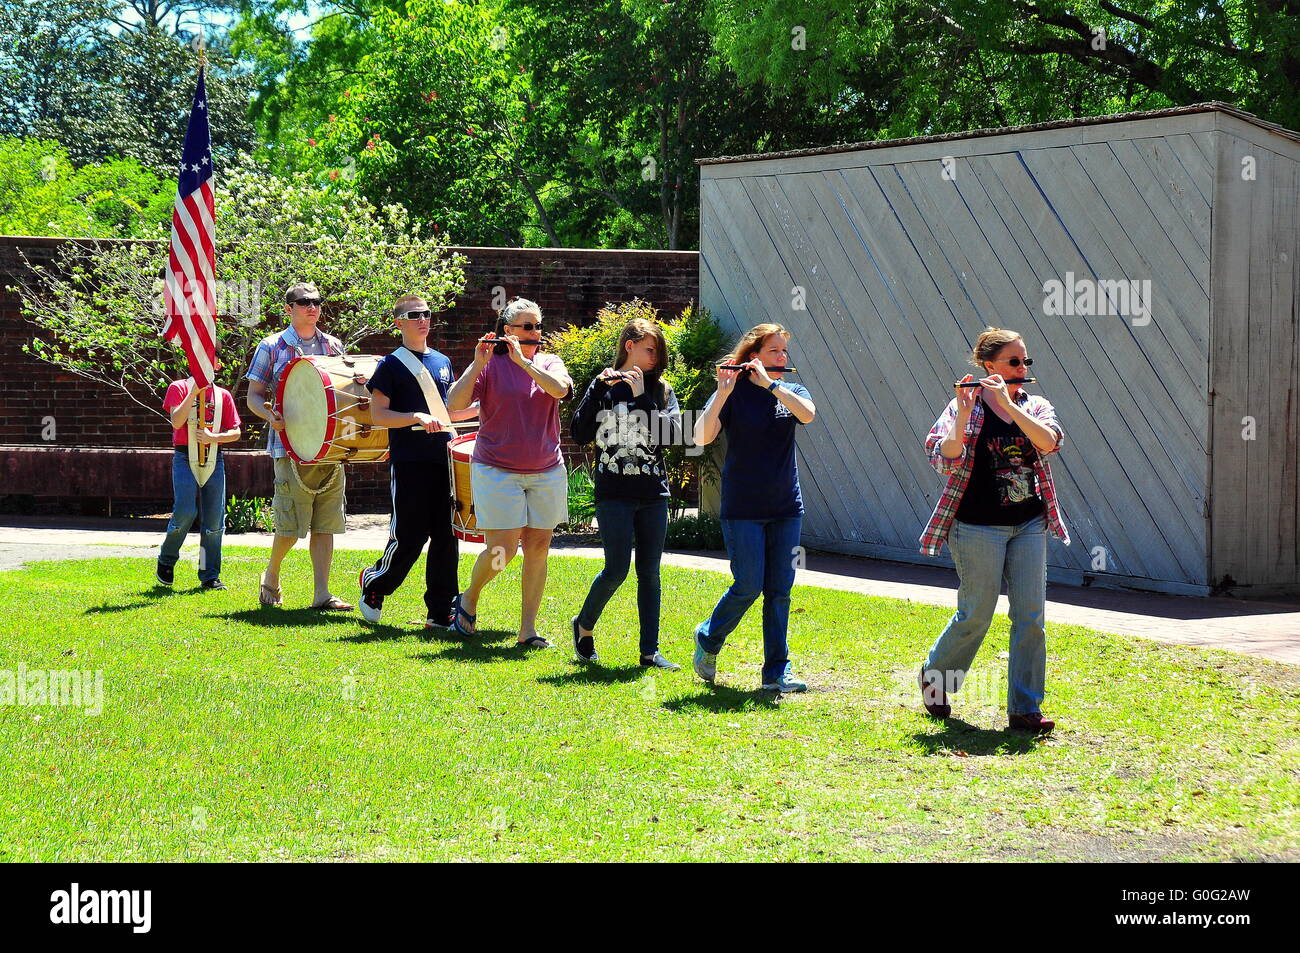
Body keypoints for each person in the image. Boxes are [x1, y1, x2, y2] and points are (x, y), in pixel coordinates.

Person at [918, 327, 1070, 734]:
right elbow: (944, 459)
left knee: (1031, 617)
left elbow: (1050, 442)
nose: (1023, 368)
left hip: (1029, 523)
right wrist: (965, 414)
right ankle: (937, 678)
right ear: (989, 365)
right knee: (977, 613)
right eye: (1014, 361)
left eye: (1026, 362)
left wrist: (1011, 405)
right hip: (976, 525)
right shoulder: (962, 405)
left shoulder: (1034, 404)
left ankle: (1025, 708)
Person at [691, 323, 816, 692]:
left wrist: (772, 385)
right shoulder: (734, 393)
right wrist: (721, 391)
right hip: (743, 505)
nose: (782, 357)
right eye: (774, 351)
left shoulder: (790, 390)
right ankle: (709, 637)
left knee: (780, 590)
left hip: (786, 505)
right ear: (753, 356)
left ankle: (777, 672)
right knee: (748, 585)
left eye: (784, 352)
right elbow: (701, 437)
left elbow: (808, 414)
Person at [445, 297, 572, 648]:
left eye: (537, 326)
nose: (535, 333)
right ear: (508, 331)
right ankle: (469, 597)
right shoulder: (490, 366)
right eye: (527, 327)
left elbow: (559, 390)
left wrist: (525, 363)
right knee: (503, 551)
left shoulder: (549, 362)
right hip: (496, 469)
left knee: (538, 546)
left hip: (546, 469)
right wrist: (475, 365)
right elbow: (454, 405)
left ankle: (527, 630)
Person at [358, 295, 477, 628]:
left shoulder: (442, 361)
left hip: (445, 461)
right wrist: (415, 416)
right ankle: (374, 583)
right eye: (414, 315)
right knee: (409, 537)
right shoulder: (391, 364)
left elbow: (448, 413)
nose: (423, 319)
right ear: (399, 323)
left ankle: (439, 611)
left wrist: (479, 410)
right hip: (410, 462)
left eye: (426, 314)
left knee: (446, 537)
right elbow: (378, 415)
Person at [570, 317, 683, 668]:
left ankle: (650, 652)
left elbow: (675, 436)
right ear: (629, 346)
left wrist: (641, 398)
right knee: (616, 569)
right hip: (614, 492)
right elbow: (579, 433)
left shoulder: (661, 390)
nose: (655, 358)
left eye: (658, 352)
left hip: (653, 492)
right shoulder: (603, 384)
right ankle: (584, 626)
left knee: (650, 572)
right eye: (650, 350)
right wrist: (598, 390)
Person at [244, 281, 354, 610]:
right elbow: (254, 395)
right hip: (288, 448)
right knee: (291, 526)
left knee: (325, 524)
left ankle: (322, 594)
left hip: (329, 448)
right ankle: (272, 575)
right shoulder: (272, 346)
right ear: (288, 309)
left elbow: (346, 393)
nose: (312, 307)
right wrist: (270, 415)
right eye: (304, 302)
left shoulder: (333, 346)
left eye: (317, 301)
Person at [156, 366, 242, 590]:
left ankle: (208, 573)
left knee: (213, 521)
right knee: (185, 511)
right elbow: (176, 421)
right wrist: (194, 393)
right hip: (185, 457)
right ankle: (167, 558)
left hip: (214, 457)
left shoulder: (223, 395)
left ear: (217, 365)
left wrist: (215, 436)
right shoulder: (179, 388)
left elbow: (236, 431)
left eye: (211, 357)